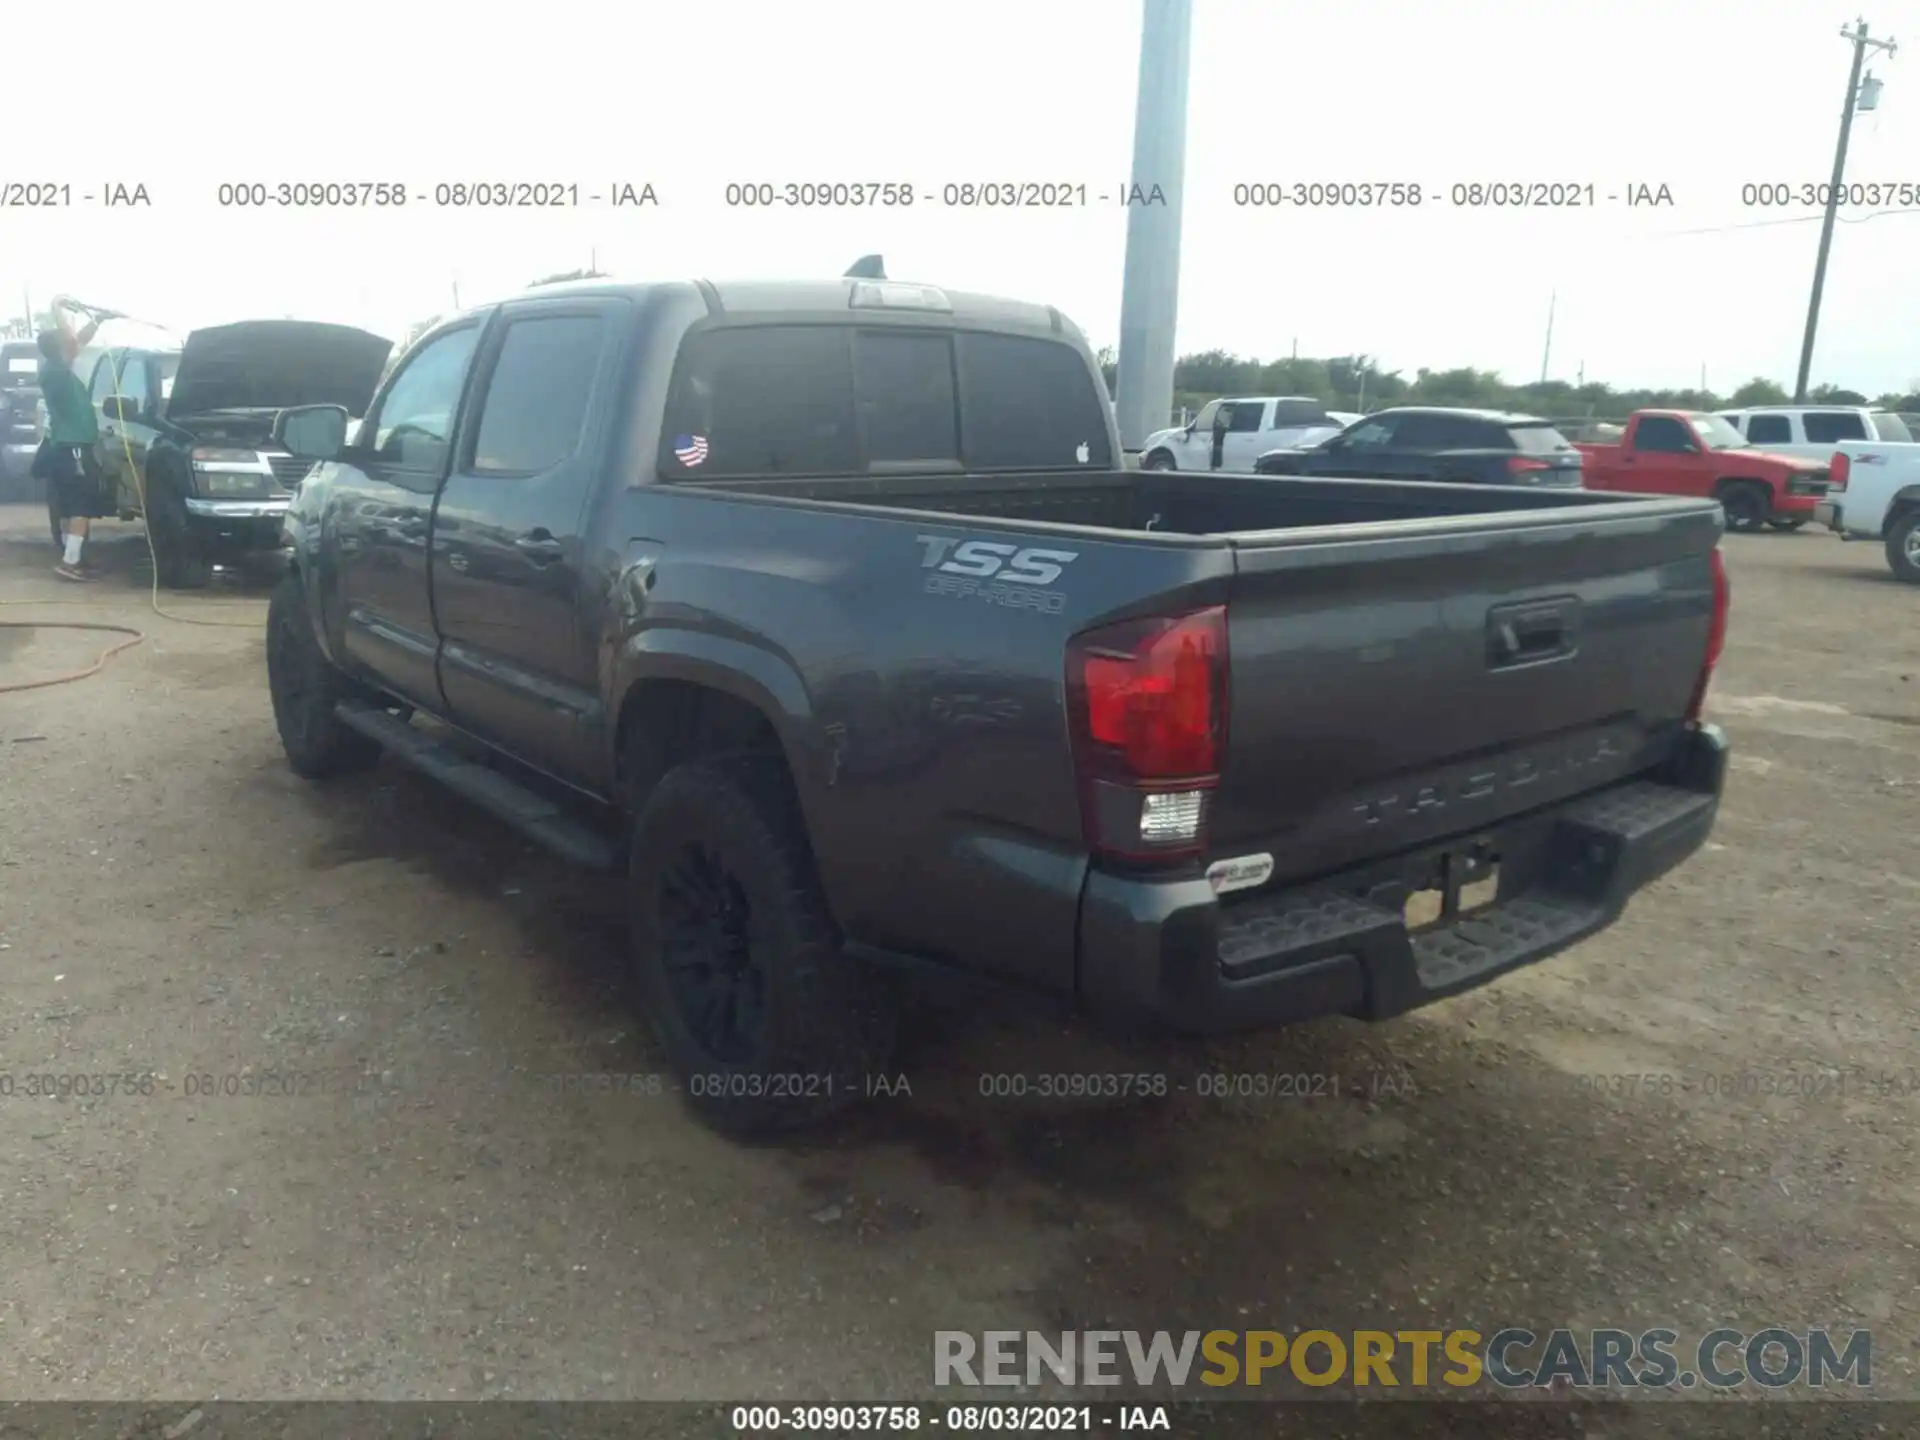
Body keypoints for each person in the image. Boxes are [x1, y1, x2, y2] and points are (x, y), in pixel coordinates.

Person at [30, 299, 107, 581]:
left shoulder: (56, 369)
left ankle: (74, 555)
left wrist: (97, 321)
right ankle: (70, 562)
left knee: (71, 505)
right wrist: (57, 306)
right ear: (61, 348)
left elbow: (77, 341)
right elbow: (73, 340)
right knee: (81, 505)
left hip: (68, 446)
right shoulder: (55, 372)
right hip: (72, 447)